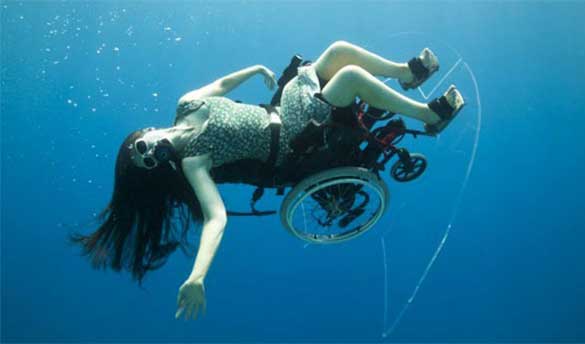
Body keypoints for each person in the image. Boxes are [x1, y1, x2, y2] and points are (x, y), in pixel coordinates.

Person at [68, 41, 464, 321]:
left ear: (144, 133)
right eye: (146, 160)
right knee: (349, 77)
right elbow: (215, 219)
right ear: (157, 168)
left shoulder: (186, 104)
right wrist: (198, 276)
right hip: (292, 138)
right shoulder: (194, 163)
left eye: (140, 145)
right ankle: (429, 117)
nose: (148, 149)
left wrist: (255, 70)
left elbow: (220, 87)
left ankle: (404, 75)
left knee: (336, 51)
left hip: (283, 106)